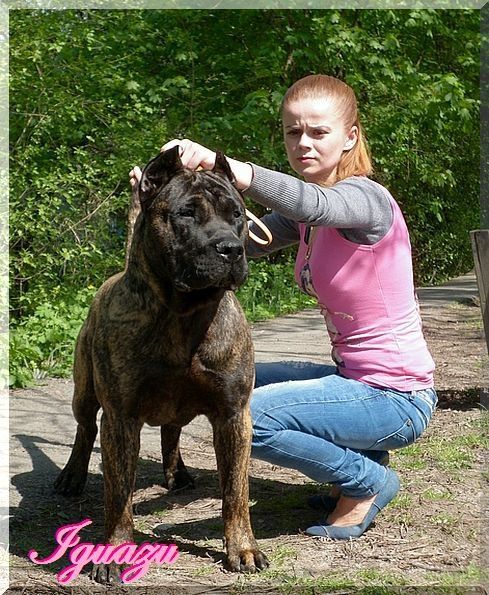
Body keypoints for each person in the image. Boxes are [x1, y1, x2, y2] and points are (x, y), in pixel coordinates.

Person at [132, 74, 437, 540]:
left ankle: (366, 481)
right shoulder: (307, 220)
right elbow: (229, 243)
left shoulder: (364, 199)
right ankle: (360, 460)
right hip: (353, 379)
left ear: (350, 136)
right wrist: (160, 204)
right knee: (238, 385)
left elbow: (313, 203)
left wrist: (226, 165)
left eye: (319, 131)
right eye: (293, 131)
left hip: (396, 397)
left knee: (248, 417)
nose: (304, 143)